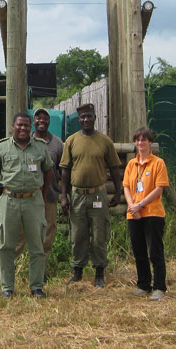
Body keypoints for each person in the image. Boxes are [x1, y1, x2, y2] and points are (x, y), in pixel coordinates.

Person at [0, 112, 54, 299]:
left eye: (26, 125)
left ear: (30, 127)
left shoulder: (40, 148)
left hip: (34, 201)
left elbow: (48, 171)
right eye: (20, 125)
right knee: (7, 245)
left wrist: (43, 194)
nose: (23, 128)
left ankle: (37, 287)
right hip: (10, 201)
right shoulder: (2, 147)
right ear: (13, 126)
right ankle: (7, 287)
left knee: (37, 246)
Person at [59, 103, 123, 287]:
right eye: (82, 117)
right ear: (78, 120)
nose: (86, 120)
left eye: (89, 116)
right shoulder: (71, 141)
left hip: (98, 195)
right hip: (77, 195)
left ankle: (99, 274)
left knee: (99, 234)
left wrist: (118, 192)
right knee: (77, 235)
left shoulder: (105, 141)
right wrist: (64, 196)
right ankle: (77, 273)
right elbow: (64, 170)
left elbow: (114, 168)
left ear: (95, 117)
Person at [15, 108, 63, 281]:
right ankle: (13, 272)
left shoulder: (58, 144)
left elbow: (62, 171)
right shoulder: (25, 142)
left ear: (50, 122)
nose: (42, 120)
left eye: (45, 118)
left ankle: (39, 272)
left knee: (47, 236)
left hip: (49, 197)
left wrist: (63, 196)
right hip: (27, 197)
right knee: (20, 234)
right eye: (38, 118)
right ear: (33, 122)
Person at [122, 126, 170, 300]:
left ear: (150, 142)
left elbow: (159, 188)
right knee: (139, 250)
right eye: (138, 140)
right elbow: (126, 186)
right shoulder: (131, 164)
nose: (140, 143)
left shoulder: (158, 163)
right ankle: (143, 284)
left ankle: (159, 286)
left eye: (144, 140)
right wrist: (131, 206)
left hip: (152, 213)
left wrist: (140, 204)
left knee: (155, 250)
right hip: (133, 213)